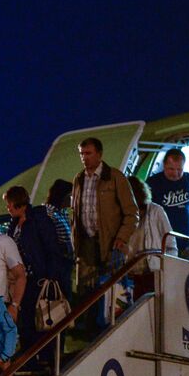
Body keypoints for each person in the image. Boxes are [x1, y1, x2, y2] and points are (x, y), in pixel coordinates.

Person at [70, 138, 138, 327]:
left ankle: (109, 328)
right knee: (86, 292)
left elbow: (132, 213)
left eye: (88, 153)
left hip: (110, 243)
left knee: (110, 291)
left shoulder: (115, 177)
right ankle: (89, 331)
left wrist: (122, 238)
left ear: (99, 154)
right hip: (86, 244)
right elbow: (75, 214)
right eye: (82, 154)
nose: (84, 158)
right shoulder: (79, 179)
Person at [3, 185, 70, 368]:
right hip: (24, 280)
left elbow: (51, 249)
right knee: (27, 321)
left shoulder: (38, 219)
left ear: (17, 203)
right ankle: (30, 358)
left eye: (9, 204)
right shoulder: (14, 224)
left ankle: (47, 358)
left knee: (44, 316)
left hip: (40, 278)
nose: (7, 208)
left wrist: (50, 276)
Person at [146, 149, 189, 259]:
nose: (175, 173)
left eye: (179, 169)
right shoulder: (153, 183)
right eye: (171, 169)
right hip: (163, 242)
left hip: (188, 241)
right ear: (164, 165)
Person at [127, 176, 173, 300]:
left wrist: (169, 267)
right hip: (134, 272)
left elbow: (170, 242)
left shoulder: (156, 211)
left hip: (155, 270)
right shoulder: (122, 214)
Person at [44, 178, 76, 263]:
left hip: (67, 258)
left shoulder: (63, 212)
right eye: (71, 196)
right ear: (63, 196)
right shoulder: (49, 214)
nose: (73, 199)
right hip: (58, 260)